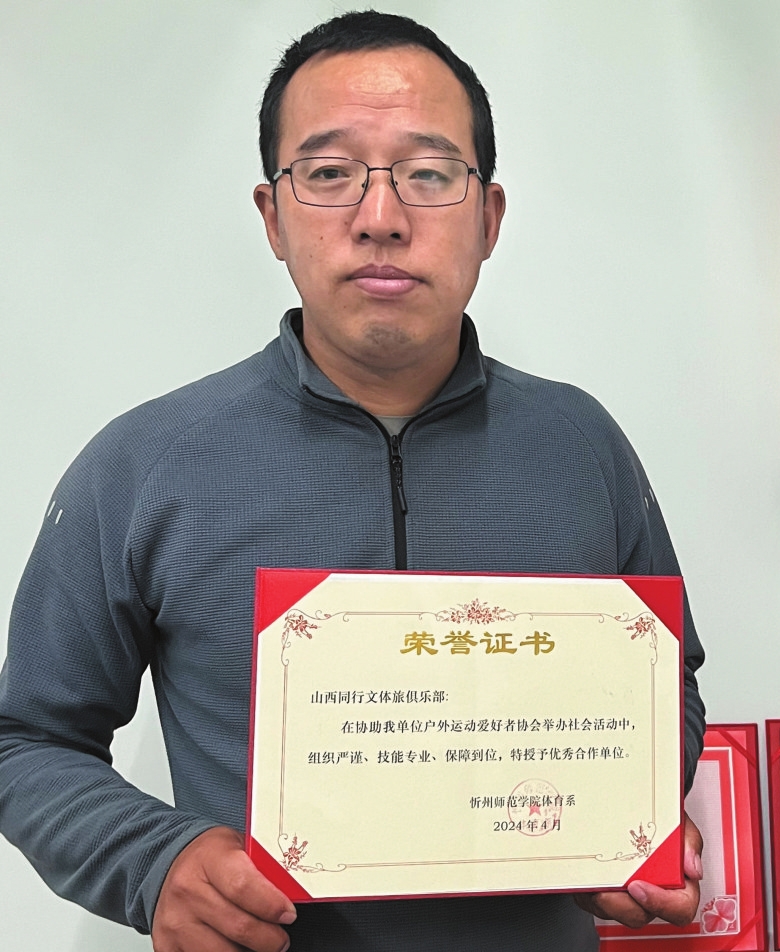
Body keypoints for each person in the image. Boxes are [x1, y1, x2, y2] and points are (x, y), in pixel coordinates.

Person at [0, 11, 706, 952]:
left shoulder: (582, 446)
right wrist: (155, 861)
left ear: (489, 218)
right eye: (330, 173)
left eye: (429, 173)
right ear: (272, 217)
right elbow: (26, 739)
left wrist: (630, 809)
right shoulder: (145, 462)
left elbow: (668, 680)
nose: (380, 217)